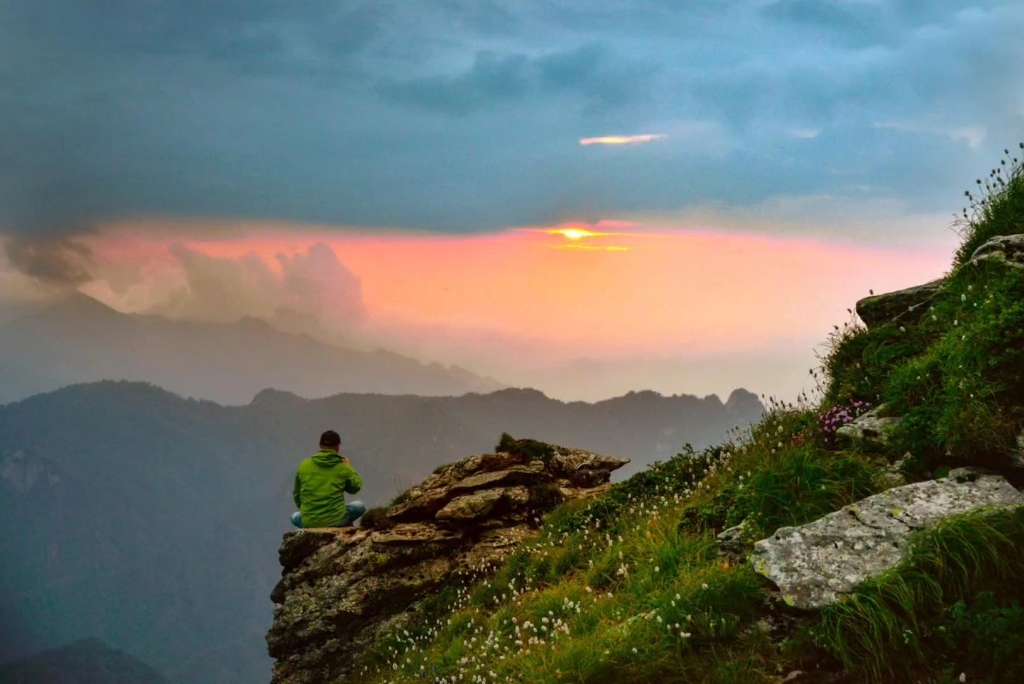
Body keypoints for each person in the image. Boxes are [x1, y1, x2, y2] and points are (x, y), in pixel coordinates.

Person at [290, 430, 366, 528]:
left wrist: (311, 511)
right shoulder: (343, 466)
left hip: (310, 522)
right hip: (336, 520)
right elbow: (355, 487)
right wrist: (348, 466)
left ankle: (312, 522)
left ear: (320, 445)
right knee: (359, 506)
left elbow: (297, 494)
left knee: (294, 517)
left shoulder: (304, 465)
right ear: (337, 447)